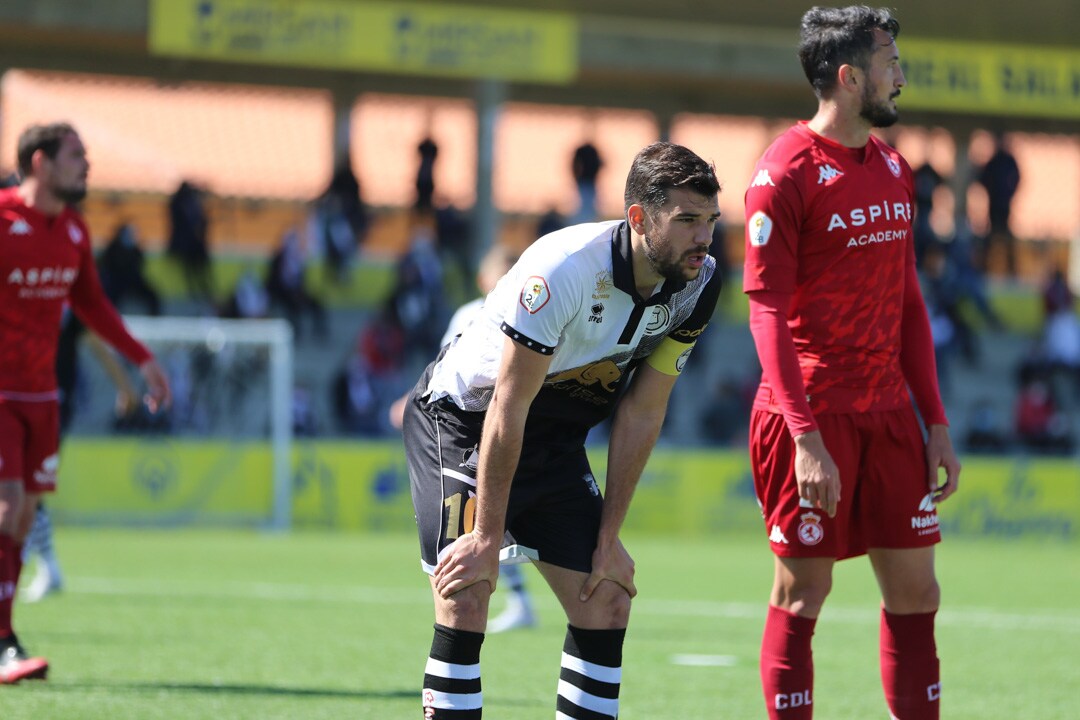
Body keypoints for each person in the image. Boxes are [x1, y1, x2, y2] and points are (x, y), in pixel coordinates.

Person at [403, 141, 722, 719]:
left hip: (551, 437)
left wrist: (610, 537)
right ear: (639, 219)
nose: (703, 237)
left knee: (605, 600)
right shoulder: (564, 269)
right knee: (467, 594)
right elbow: (507, 403)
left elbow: (643, 411)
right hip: (464, 422)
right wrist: (485, 538)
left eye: (710, 221)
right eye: (687, 221)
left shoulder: (700, 283)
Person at [742, 9, 961, 719]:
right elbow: (766, 313)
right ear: (850, 76)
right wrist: (805, 438)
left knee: (917, 595)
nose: (901, 75)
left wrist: (935, 420)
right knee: (803, 594)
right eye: (890, 61)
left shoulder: (895, 167)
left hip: (891, 416)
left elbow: (908, 305)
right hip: (812, 417)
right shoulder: (783, 175)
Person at [0, 122, 172, 684]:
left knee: (24, 514)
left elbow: (94, 307)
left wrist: (142, 359)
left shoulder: (72, 231)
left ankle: (4, 636)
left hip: (43, 395)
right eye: (76, 156)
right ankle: (3, 641)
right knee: (8, 505)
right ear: (40, 162)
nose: (87, 165)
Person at [975, 132, 1021, 278]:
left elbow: (1017, 178)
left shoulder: (1009, 160)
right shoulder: (994, 161)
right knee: (990, 237)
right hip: (994, 205)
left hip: (1004, 204)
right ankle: (985, 267)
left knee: (1006, 237)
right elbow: (983, 178)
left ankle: (1011, 268)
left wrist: (1009, 193)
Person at [571, 139, 603, 224]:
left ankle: (589, 222)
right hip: (583, 182)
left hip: (591, 183)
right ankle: (581, 223)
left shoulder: (592, 150)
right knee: (582, 205)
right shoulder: (582, 150)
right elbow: (575, 165)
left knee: (591, 206)